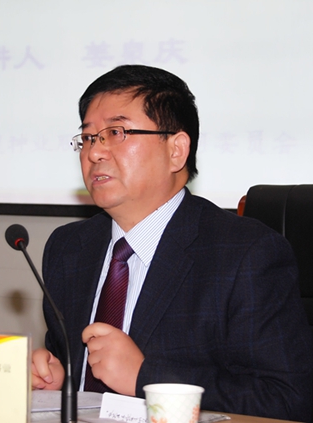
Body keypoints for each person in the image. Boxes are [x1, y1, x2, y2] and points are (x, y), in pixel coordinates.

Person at [31, 64, 313, 421]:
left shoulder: (246, 254)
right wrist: (57, 379)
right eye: (87, 137)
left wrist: (146, 377)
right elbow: (72, 362)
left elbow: (289, 400)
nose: (94, 153)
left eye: (116, 132)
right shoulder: (68, 248)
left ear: (176, 150)